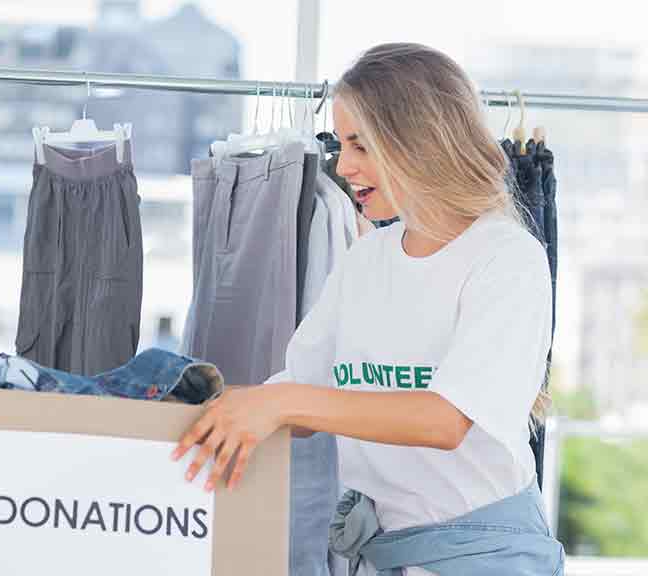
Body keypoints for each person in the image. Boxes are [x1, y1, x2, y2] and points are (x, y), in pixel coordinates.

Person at [172, 43, 564, 575]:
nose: (342, 165)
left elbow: (444, 421)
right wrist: (176, 413)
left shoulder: (507, 258)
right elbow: (298, 398)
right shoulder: (369, 258)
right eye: (342, 144)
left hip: (484, 557)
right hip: (389, 555)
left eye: (361, 145)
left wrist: (282, 403)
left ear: (420, 143)